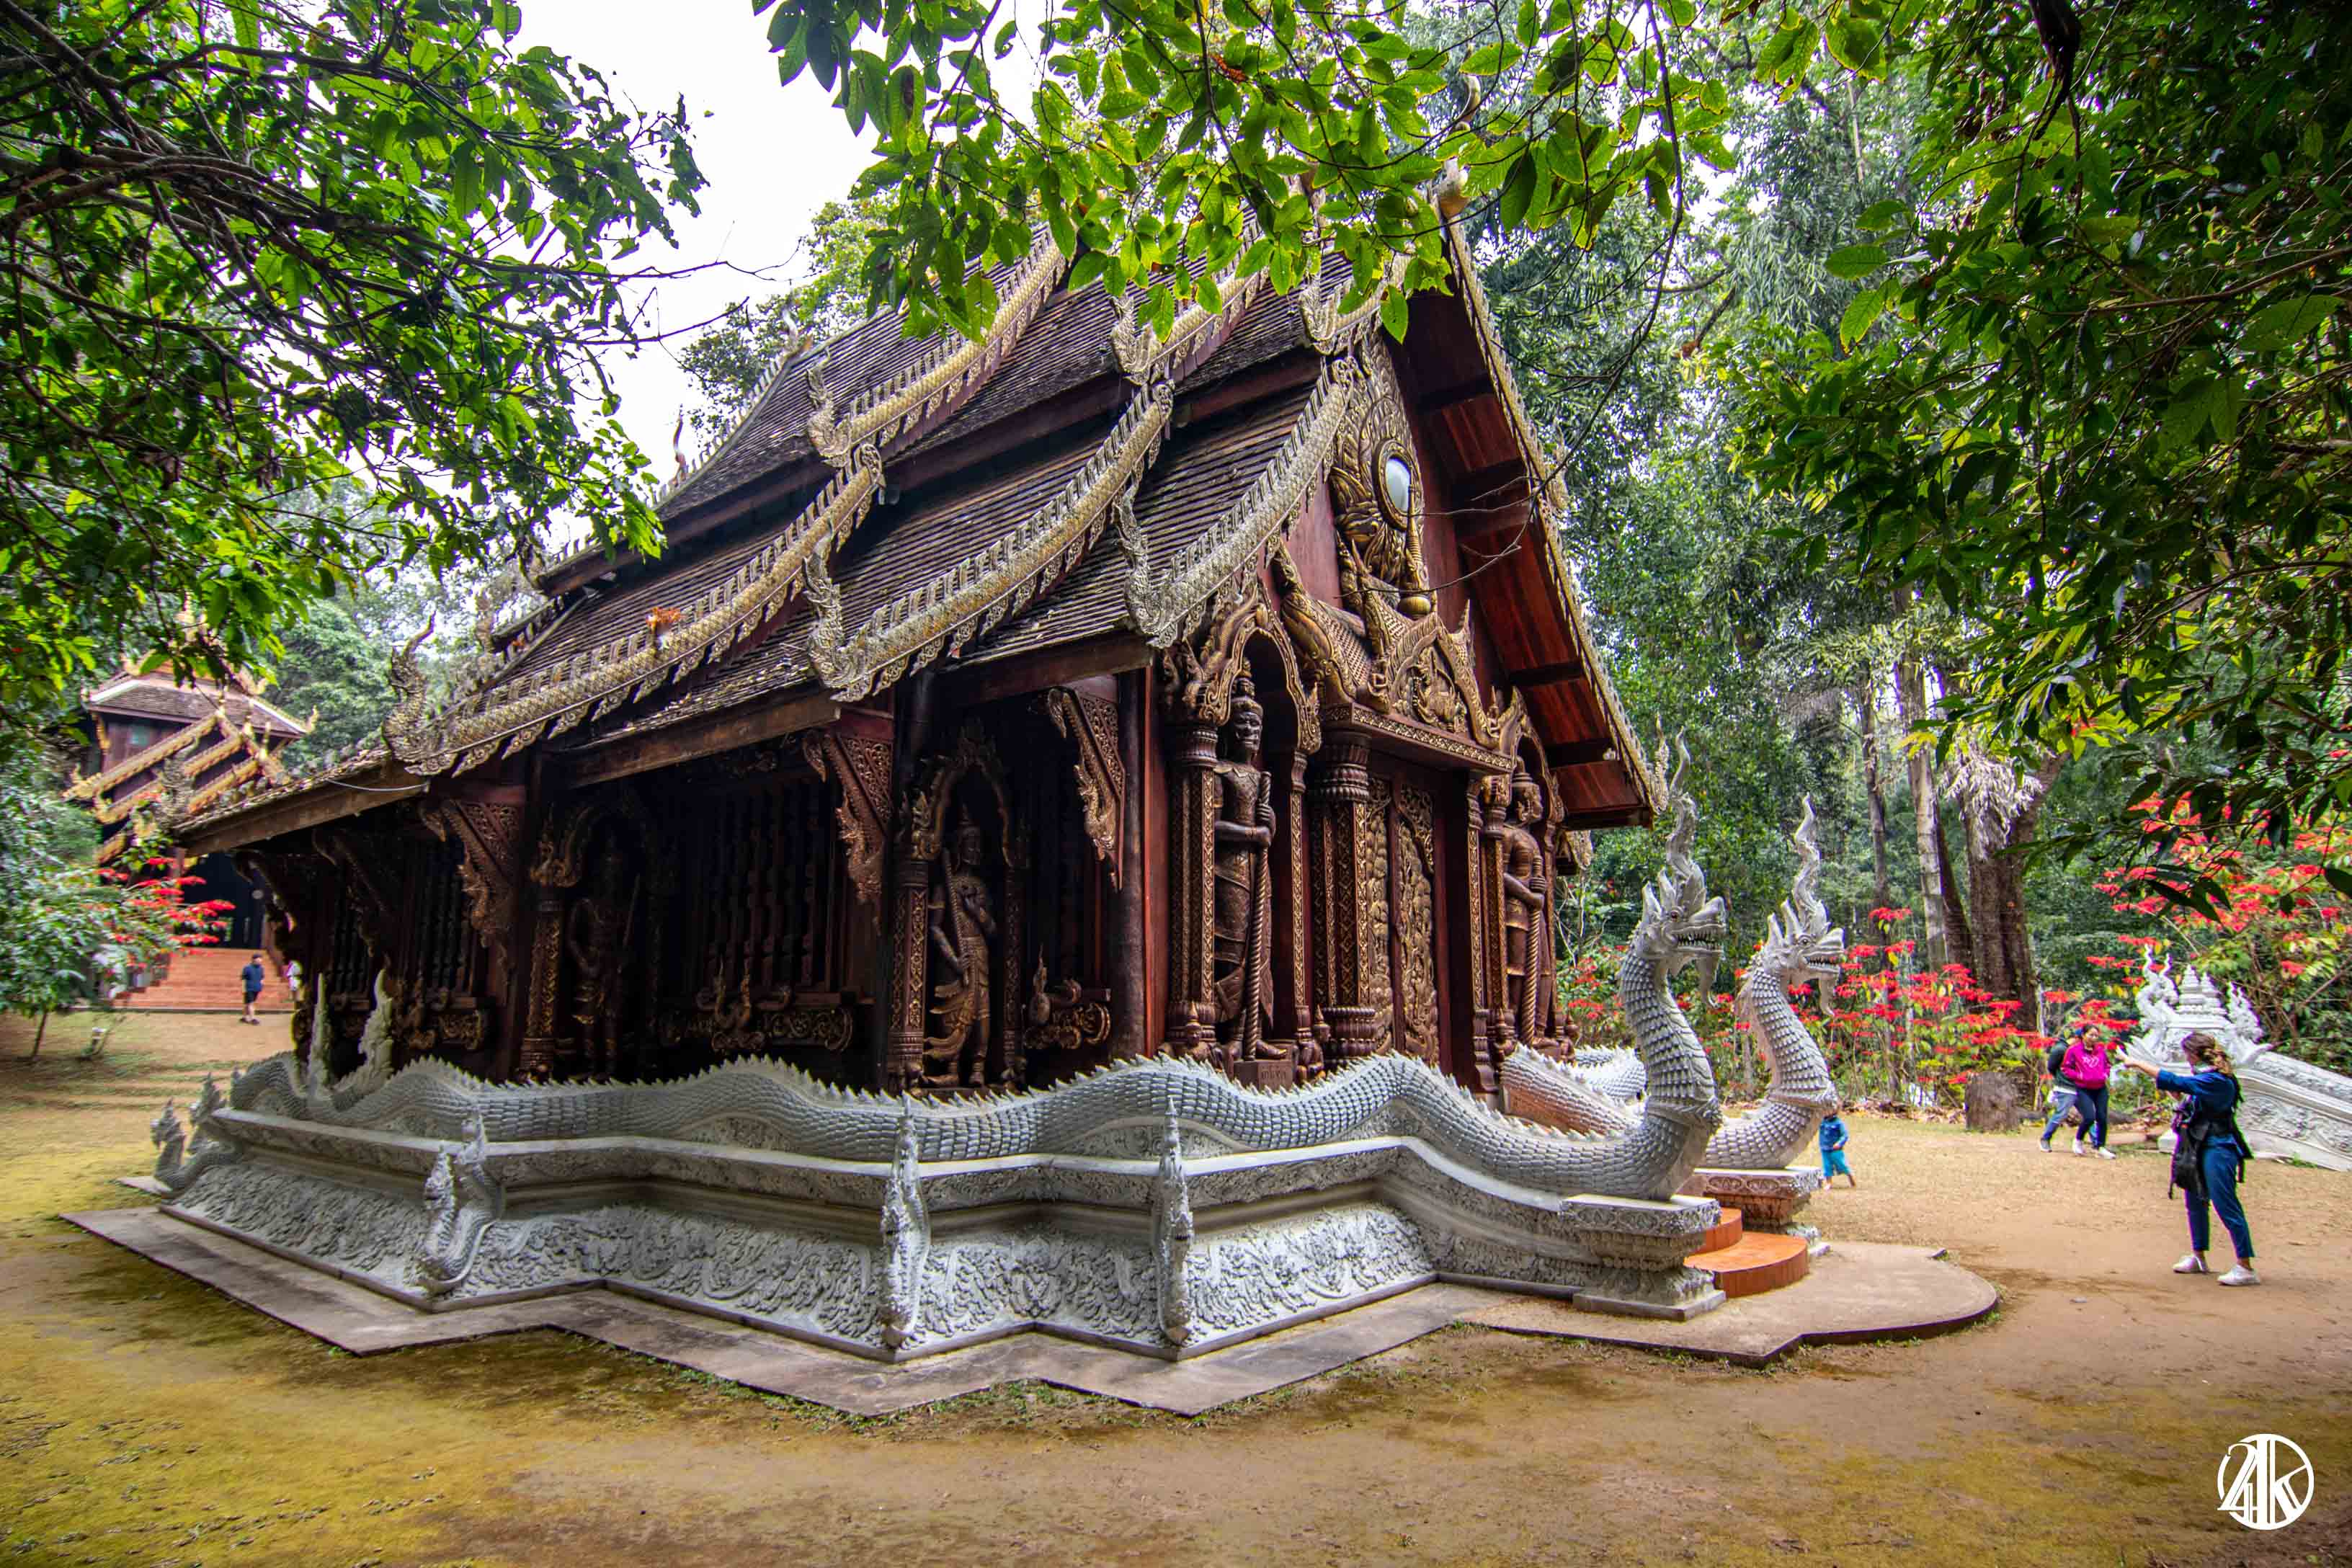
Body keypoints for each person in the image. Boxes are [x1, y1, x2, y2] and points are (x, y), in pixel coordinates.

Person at [2120, 1033, 2258, 1286]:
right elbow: (2185, 1094)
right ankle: (2199, 1255)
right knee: (2194, 1201)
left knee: (2226, 1204)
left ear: (2194, 1054)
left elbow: (2177, 1081)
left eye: (2186, 1054)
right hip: (2197, 1144)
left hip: (2218, 1145)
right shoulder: (2206, 1077)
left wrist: (2138, 1063)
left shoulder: (2217, 1080)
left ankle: (2245, 1265)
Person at [2058, 1028, 2117, 1158]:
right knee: (2090, 1117)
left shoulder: (2100, 1050)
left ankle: (2100, 1147)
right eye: (2091, 1035)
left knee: (2102, 1117)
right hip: (2083, 1088)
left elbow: (2108, 1065)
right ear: (2084, 1035)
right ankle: (2078, 1140)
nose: (2094, 1038)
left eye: (2096, 1036)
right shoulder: (2074, 1050)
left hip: (2100, 1088)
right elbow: (2065, 1068)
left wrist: (2105, 1075)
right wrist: (2079, 1076)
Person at [2038, 1029, 2083, 1152]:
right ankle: (2045, 1139)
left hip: (2081, 1087)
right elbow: (2051, 1067)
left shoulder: (2081, 1051)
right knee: (2061, 1114)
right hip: (2065, 1087)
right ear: (2077, 1038)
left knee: (2089, 1116)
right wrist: (2061, 1079)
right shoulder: (2060, 1049)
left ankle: (2098, 1144)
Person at [1819, 1110, 1856, 1187]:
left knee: (1842, 1164)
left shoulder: (1838, 1123)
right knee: (1827, 1165)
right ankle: (1829, 1182)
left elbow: (1845, 1135)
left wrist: (1839, 1143)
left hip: (1835, 1149)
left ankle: (1850, 1176)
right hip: (1825, 1147)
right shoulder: (1822, 1121)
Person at [239, 953, 266, 1025]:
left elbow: (262, 978)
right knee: (251, 1003)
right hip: (249, 989)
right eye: (259, 959)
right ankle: (253, 1019)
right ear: (254, 959)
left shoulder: (261, 968)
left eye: (261, 959)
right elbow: (243, 979)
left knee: (247, 1004)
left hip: (256, 989)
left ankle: (244, 1018)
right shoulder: (247, 968)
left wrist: (262, 984)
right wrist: (243, 988)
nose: (260, 960)